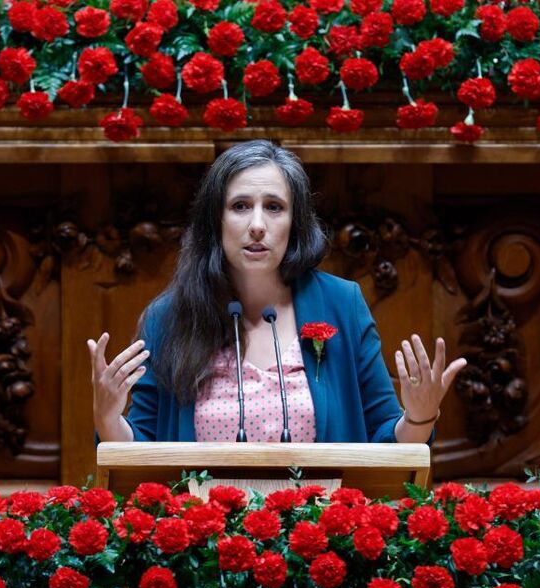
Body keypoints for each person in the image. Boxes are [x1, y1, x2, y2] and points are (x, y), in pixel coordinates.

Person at [89, 140, 466, 443]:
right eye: (239, 206)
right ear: (215, 221)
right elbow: (138, 453)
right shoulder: (170, 317)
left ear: (295, 222)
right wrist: (107, 416)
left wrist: (419, 414)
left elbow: (388, 444)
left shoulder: (341, 305)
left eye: (273, 207)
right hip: (203, 530)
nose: (256, 225)